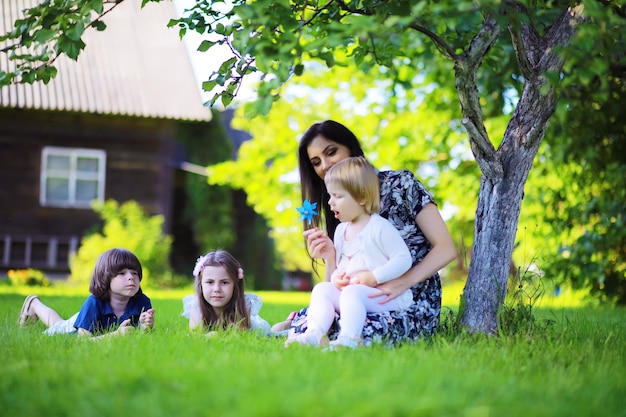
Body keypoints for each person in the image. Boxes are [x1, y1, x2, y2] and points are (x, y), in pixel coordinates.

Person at [286, 120, 457, 346]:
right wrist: (330, 259)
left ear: (351, 148)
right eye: (316, 162)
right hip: (358, 295)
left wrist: (403, 282)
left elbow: (446, 248)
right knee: (326, 313)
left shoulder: (400, 184)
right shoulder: (340, 210)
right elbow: (337, 282)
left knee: (363, 329)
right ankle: (307, 331)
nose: (325, 165)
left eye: (331, 152)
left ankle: (309, 330)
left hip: (407, 296)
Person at [286, 156, 414, 348]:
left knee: (352, 294)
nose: (330, 202)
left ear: (361, 197)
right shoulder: (340, 231)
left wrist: (374, 276)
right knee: (322, 289)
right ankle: (314, 334)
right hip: (356, 294)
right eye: (330, 196)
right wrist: (337, 278)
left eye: (337, 196)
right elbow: (344, 266)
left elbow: (404, 259)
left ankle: (349, 339)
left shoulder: (379, 227)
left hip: (387, 296)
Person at [18, 248, 155, 338]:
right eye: (121, 273)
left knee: (58, 321)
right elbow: (82, 342)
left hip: (90, 320)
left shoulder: (142, 302)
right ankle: (34, 304)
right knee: (58, 326)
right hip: (74, 328)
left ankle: (34, 304)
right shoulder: (94, 303)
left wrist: (145, 328)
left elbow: (143, 337)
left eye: (135, 273)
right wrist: (115, 335)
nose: (131, 277)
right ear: (105, 277)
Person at [182, 249, 272, 336]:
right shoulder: (196, 306)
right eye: (210, 282)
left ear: (235, 284)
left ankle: (285, 324)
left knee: (275, 331)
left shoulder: (243, 305)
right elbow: (196, 335)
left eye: (224, 282)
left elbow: (239, 336)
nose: (216, 289)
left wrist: (215, 335)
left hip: (262, 331)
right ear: (200, 283)